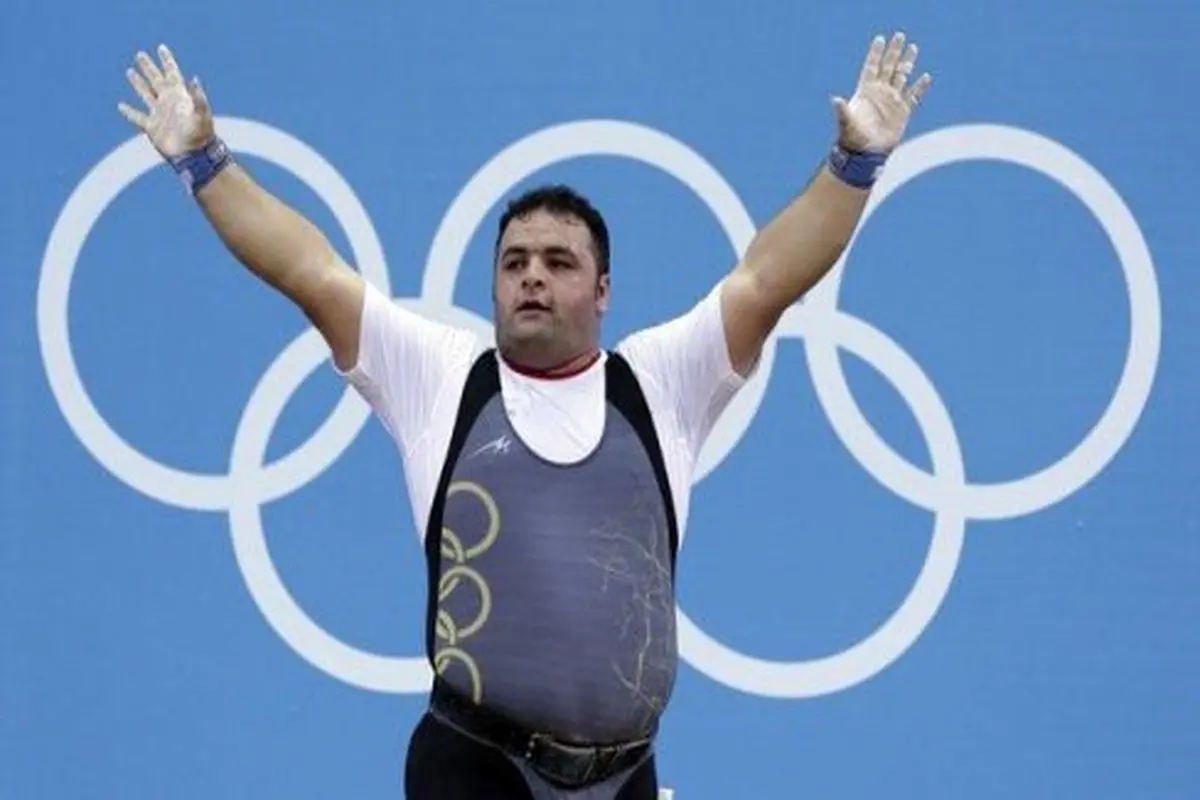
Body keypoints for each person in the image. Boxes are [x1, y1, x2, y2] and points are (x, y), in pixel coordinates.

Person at [117, 31, 931, 799]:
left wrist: (855, 164)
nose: (532, 277)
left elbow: (767, 279)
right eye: (514, 263)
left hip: (627, 775)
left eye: (557, 262)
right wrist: (203, 159)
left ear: (602, 291)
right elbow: (310, 270)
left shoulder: (662, 381)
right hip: (477, 768)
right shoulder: (439, 376)